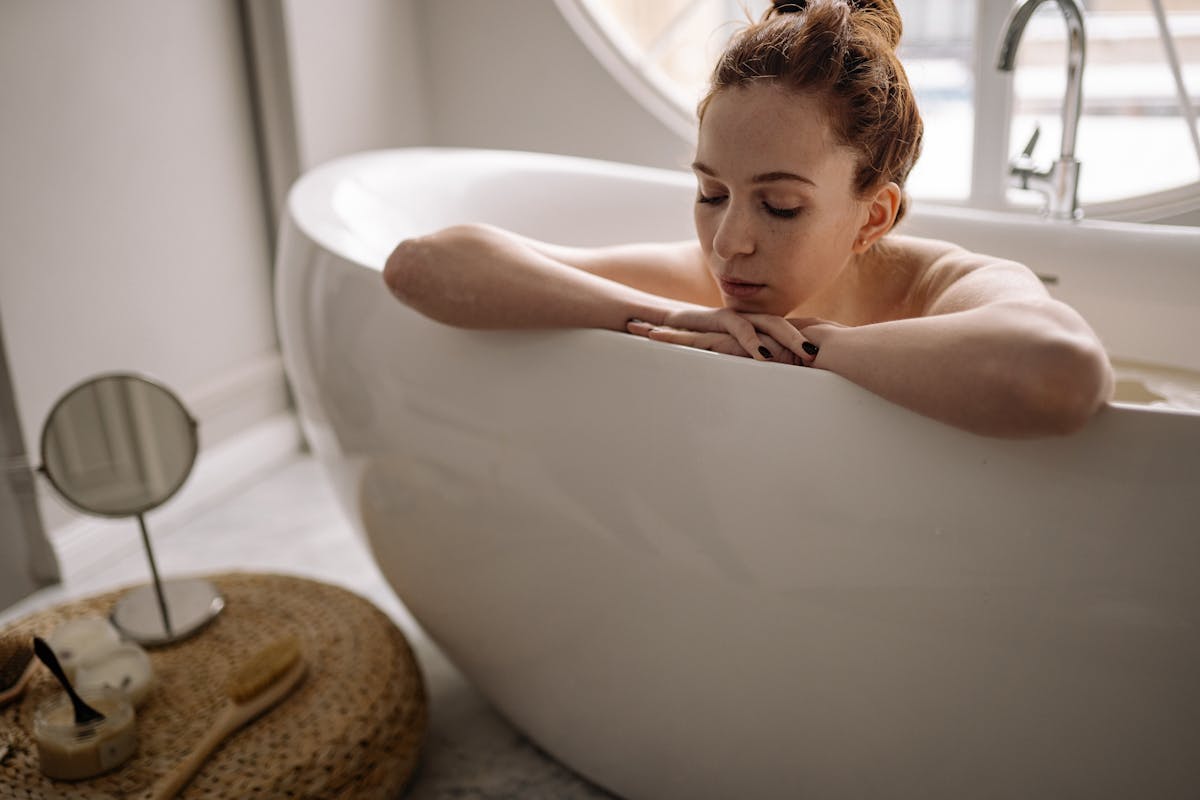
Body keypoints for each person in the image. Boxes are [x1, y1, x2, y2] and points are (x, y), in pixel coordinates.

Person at [383, 0, 1113, 438]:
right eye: (710, 193)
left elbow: (1061, 377)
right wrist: (670, 316)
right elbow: (422, 264)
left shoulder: (945, 286)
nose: (729, 242)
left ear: (874, 215)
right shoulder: (703, 285)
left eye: (781, 205)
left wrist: (803, 347)